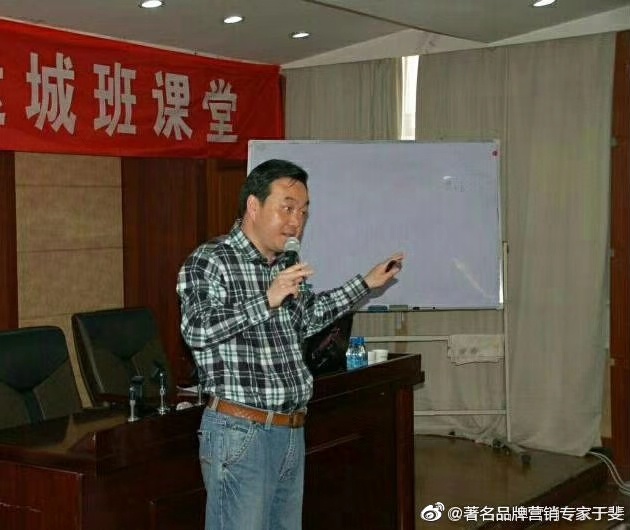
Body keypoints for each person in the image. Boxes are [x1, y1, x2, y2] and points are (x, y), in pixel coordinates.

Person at [176, 158, 403, 530]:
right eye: (287, 208)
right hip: (239, 431)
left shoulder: (283, 264)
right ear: (253, 206)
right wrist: (267, 299)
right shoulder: (211, 261)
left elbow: (307, 317)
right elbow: (197, 331)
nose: (297, 221)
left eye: (303, 211)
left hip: (290, 429)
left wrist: (366, 284)